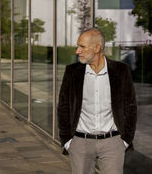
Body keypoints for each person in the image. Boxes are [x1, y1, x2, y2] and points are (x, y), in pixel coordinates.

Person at [58, 28, 137, 174]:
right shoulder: (72, 72)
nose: (77, 51)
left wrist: (125, 140)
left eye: (82, 46)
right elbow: (63, 107)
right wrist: (68, 141)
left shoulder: (121, 70)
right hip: (80, 142)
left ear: (97, 48)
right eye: (78, 46)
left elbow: (130, 107)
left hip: (113, 142)